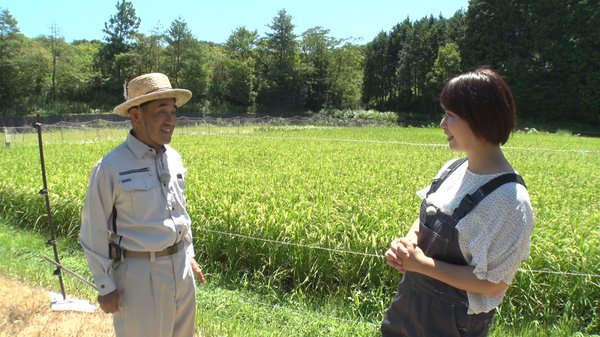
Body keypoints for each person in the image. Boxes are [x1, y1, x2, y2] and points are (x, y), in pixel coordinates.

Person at [381, 67, 534, 337]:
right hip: (410, 302)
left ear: (479, 118)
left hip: (452, 322)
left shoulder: (511, 201)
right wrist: (406, 244)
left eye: (450, 115)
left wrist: (421, 264)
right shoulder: (452, 169)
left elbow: (494, 284)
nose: (442, 125)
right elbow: (427, 218)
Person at [80, 72, 206, 337]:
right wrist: (105, 285)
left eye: (173, 111)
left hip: (181, 271)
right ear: (136, 115)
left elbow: (180, 212)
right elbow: (92, 230)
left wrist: (189, 254)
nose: (171, 120)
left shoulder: (174, 158)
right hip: (139, 276)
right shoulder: (111, 167)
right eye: (161, 111)